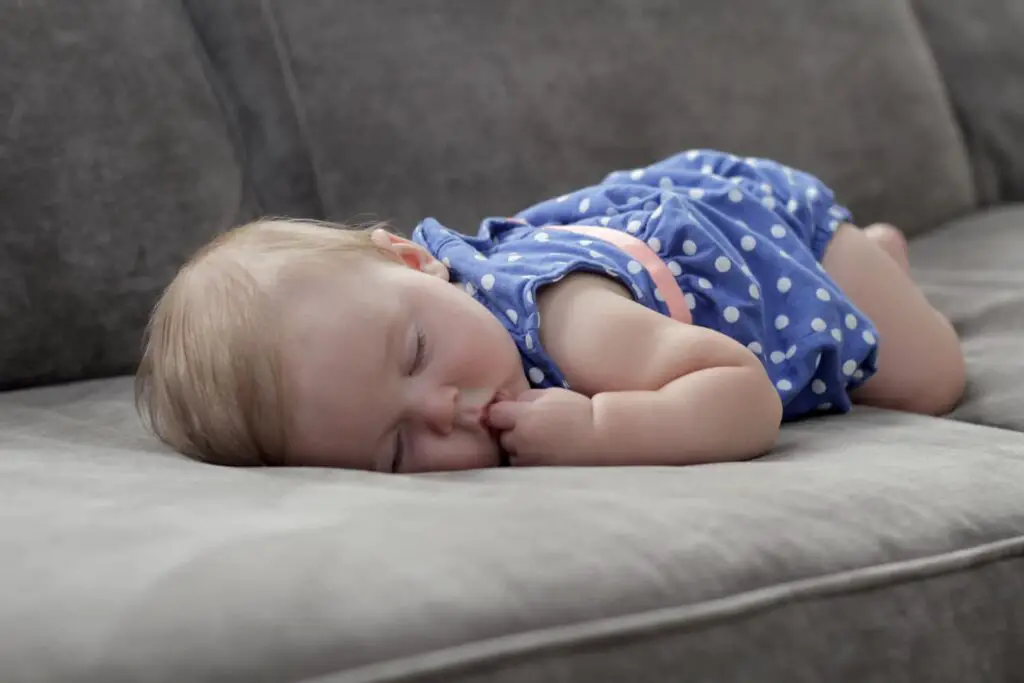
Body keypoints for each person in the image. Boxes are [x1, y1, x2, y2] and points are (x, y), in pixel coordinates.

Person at [136, 149, 966, 472]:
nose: (444, 410)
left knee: (928, 378)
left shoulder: (566, 317)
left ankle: (874, 257)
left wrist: (600, 430)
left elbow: (742, 394)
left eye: (417, 350)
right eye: (395, 449)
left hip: (770, 244)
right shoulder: (434, 352)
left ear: (414, 260)